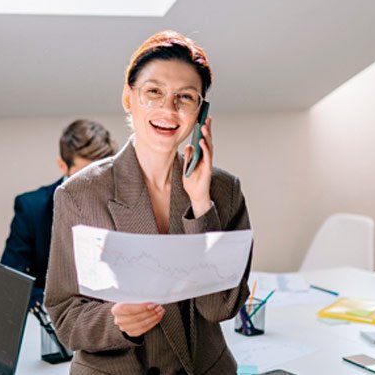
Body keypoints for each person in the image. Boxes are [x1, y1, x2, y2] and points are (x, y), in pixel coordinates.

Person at [44, 31, 253, 375]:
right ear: (129, 98)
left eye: (185, 97)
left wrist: (201, 204)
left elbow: (219, 309)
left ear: (200, 111)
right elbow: (64, 315)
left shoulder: (224, 189)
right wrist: (115, 321)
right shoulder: (79, 194)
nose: (168, 109)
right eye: (153, 92)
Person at [1, 119, 116, 307]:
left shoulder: (125, 203)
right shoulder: (31, 208)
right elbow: (11, 279)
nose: (95, 183)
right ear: (62, 165)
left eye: (102, 171)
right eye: (85, 174)